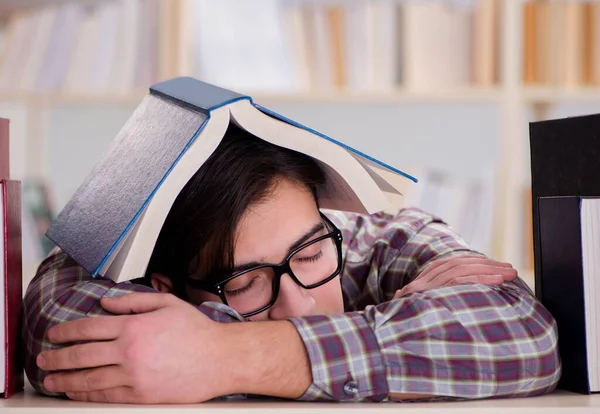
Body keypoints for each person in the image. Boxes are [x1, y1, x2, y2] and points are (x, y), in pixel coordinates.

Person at [23, 125, 561, 404]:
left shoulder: (383, 236)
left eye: (309, 253)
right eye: (247, 282)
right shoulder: (119, 263)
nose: (302, 303)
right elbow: (57, 324)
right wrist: (398, 340)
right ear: (164, 285)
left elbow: (525, 334)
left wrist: (222, 357)